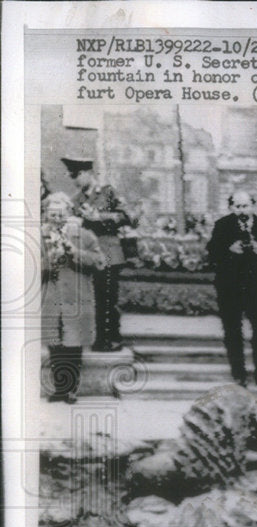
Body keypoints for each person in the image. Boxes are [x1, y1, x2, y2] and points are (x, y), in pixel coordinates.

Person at [126, 384, 257, 504]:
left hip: (200, 458)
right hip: (200, 467)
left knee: (235, 402)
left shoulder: (213, 437)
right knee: (236, 402)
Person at [206, 191, 257, 388]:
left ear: (253, 206)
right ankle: (238, 374)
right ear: (231, 207)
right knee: (232, 331)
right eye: (237, 207)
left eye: (245, 206)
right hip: (230, 287)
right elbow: (211, 254)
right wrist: (228, 249)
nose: (242, 210)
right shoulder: (222, 226)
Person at [61, 156, 136, 352]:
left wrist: (100, 217)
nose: (74, 180)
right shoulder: (75, 200)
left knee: (107, 298)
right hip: (86, 255)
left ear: (87, 173)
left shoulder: (108, 192)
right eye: (71, 176)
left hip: (109, 252)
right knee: (89, 298)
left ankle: (111, 338)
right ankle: (94, 337)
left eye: (76, 175)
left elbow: (129, 217)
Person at [40, 193, 108, 402]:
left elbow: (99, 263)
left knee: (73, 343)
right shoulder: (38, 237)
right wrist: (45, 264)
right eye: (52, 214)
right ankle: (59, 387)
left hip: (76, 297)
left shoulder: (84, 236)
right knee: (55, 342)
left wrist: (74, 251)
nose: (56, 219)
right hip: (51, 297)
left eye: (61, 214)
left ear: (69, 213)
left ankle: (71, 388)